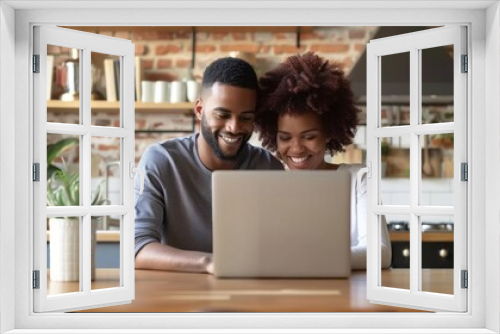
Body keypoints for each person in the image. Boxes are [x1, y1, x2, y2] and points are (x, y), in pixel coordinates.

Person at [134, 57, 284, 274]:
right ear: (199, 110)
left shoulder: (268, 167)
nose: (234, 127)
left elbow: (283, 247)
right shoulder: (162, 161)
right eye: (222, 115)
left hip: (248, 292)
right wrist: (211, 263)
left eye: (245, 117)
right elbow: (136, 248)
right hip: (177, 295)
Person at [255, 52, 391, 269]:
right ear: (273, 136)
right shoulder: (266, 183)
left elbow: (381, 253)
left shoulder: (359, 179)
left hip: (347, 297)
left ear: (328, 133)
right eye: (285, 138)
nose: (297, 148)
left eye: (309, 137)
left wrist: (307, 258)